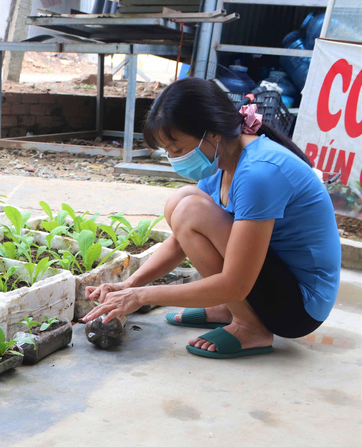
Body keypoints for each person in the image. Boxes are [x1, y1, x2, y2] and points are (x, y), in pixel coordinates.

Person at [82, 78, 341, 359]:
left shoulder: (259, 173)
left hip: (298, 308)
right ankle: (231, 308)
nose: (174, 159)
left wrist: (141, 297)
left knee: (190, 208)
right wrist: (130, 285)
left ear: (213, 133)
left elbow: (236, 284)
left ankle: (250, 326)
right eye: (168, 152)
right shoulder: (222, 162)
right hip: (270, 280)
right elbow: (182, 241)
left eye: (178, 150)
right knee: (181, 202)